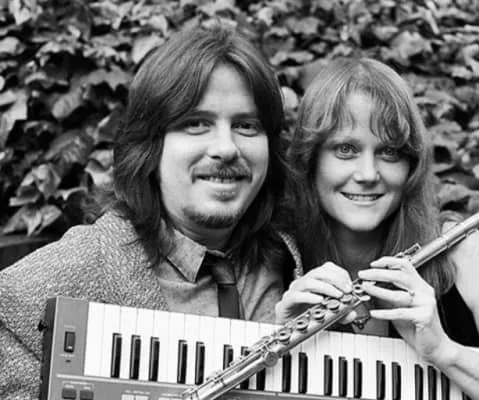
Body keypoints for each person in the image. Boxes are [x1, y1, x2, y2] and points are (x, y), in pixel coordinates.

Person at [0, 26, 302, 398]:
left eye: (246, 125)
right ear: (150, 146)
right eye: (196, 124)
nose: (226, 148)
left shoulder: (295, 253)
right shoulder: (38, 290)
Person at [276, 58, 479, 400]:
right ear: (311, 158)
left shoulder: (465, 255)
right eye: (345, 149)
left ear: (411, 164)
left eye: (389, 152)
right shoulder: (273, 254)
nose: (367, 174)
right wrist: (275, 343)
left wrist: (445, 352)